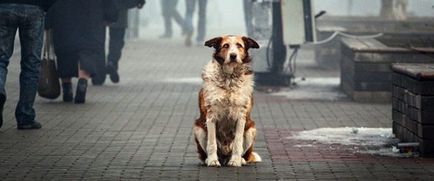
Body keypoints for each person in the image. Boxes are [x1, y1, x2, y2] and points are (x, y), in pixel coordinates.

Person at [46, 0, 118, 104]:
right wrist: (111, 15)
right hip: (91, 18)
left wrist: (47, 19)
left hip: (63, 17)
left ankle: (67, 88)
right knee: (86, 52)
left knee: (65, 53)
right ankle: (82, 83)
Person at [0, 0, 57, 129]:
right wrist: (45, 6)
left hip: (4, 7)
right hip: (34, 8)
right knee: (31, 65)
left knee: (1, 60)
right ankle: (25, 115)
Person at [107, 0, 145, 83]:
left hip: (95, 5)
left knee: (97, 37)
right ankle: (112, 61)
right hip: (119, 5)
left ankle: (97, 72)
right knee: (117, 37)